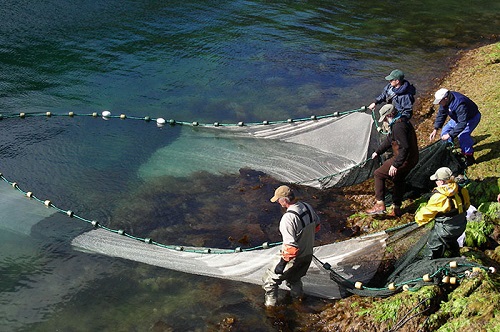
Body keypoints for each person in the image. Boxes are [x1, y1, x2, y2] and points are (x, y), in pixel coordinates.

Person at [262, 185, 320, 307]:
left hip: (293, 258)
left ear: (285, 200)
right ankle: (299, 302)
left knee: (269, 282)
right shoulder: (307, 206)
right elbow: (317, 227)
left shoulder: (287, 219)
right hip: (307, 255)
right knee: (294, 279)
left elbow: (291, 249)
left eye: (278, 199)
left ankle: (271, 309)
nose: (278, 202)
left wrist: (281, 264)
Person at [365, 104, 419, 217]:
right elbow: (390, 139)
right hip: (412, 158)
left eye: (385, 117)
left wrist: (395, 165)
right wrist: (378, 151)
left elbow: (404, 147)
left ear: (390, 114)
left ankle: (380, 205)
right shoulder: (401, 121)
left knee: (378, 174)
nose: (384, 120)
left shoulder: (399, 127)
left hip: (404, 159)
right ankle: (397, 208)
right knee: (398, 179)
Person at [415, 167, 470, 259]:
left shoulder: (439, 197)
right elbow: (467, 205)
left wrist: (417, 220)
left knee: (433, 245)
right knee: (451, 241)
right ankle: (455, 256)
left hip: (446, 229)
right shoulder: (461, 190)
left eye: (436, 180)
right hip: (461, 225)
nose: (435, 182)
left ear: (441, 182)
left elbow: (426, 213)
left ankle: (430, 262)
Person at [429, 88, 481, 166]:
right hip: (457, 118)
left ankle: (469, 157)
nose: (439, 103)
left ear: (445, 98)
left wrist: (450, 134)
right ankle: (451, 151)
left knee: (463, 137)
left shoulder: (459, 104)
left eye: (439, 101)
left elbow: (462, 123)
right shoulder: (444, 102)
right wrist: (436, 129)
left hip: (470, 118)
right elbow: (441, 114)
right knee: (444, 131)